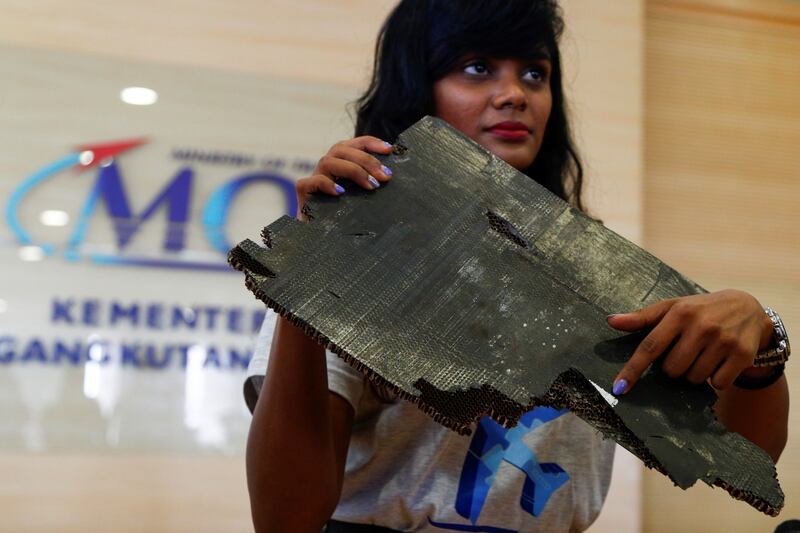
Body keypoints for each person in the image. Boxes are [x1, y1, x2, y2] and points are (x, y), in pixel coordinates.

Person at [244, 1, 790, 531]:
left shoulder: (597, 273)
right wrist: (307, 276)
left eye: (535, 73)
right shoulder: (358, 263)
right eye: (477, 68)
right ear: (418, 87)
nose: (514, 95)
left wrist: (764, 344)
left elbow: (747, 457)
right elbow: (285, 520)